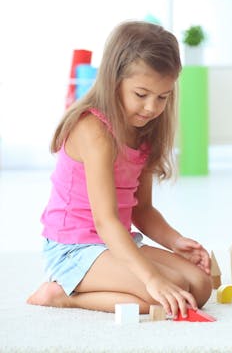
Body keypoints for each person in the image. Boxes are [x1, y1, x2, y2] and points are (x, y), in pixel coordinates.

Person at [27, 21, 212, 316]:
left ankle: (126, 282)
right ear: (114, 81)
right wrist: (151, 278)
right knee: (163, 296)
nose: (152, 107)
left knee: (200, 286)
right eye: (141, 94)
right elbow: (105, 221)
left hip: (116, 243)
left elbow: (142, 210)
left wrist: (176, 241)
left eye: (162, 97)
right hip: (74, 248)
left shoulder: (144, 131)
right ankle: (62, 296)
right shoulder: (93, 131)